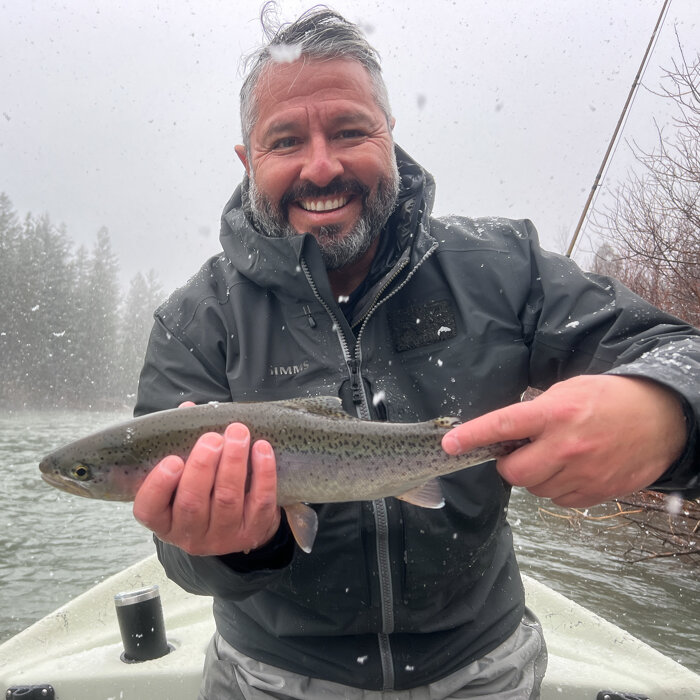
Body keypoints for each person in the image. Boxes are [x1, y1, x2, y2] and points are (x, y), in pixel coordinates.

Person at [132, 6, 700, 699]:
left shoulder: (503, 265)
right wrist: (237, 544)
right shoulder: (196, 320)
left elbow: (679, 353)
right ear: (249, 161)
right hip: (272, 677)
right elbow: (181, 560)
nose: (321, 166)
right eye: (285, 141)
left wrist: (664, 413)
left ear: (390, 134)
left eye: (350, 131)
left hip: (483, 667)